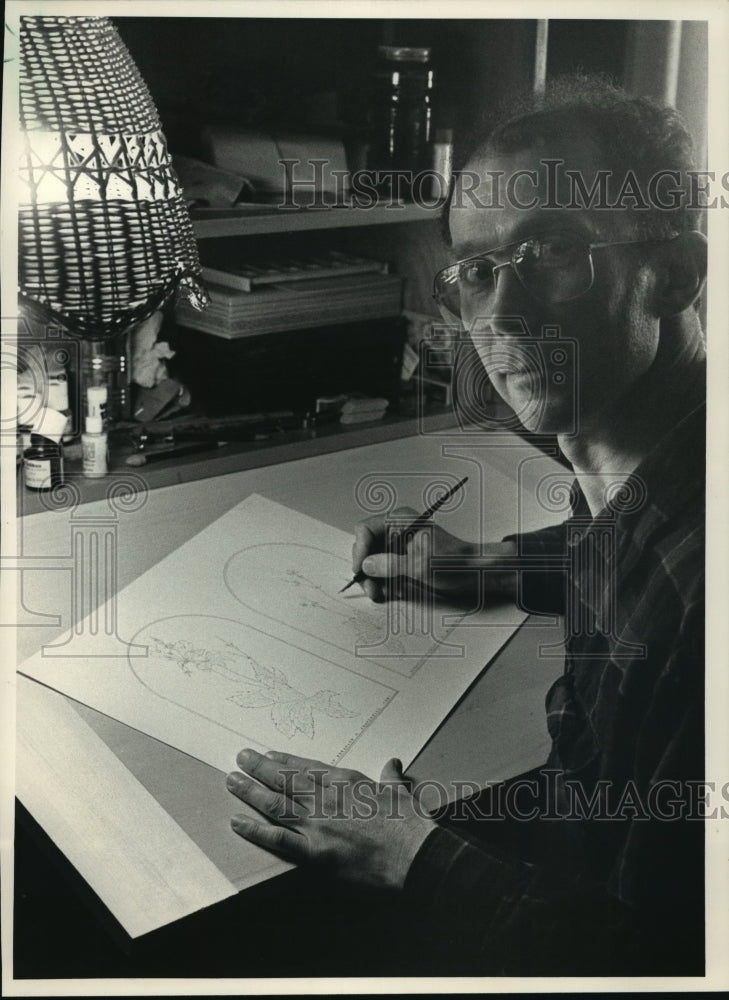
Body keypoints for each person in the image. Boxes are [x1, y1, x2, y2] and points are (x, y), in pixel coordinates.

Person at [225, 76, 707, 976]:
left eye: (551, 249)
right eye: (475, 272)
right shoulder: (642, 459)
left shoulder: (697, 606)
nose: (498, 314)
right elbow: (621, 550)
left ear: (673, 273)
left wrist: (411, 853)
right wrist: (483, 565)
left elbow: (655, 954)